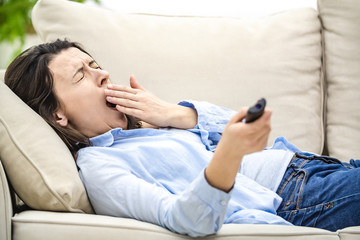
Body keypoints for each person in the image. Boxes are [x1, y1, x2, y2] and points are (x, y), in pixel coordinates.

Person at [5, 39, 360, 237]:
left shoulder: (144, 132)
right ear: (57, 114)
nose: (103, 74)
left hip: (314, 170)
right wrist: (228, 157)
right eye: (81, 75)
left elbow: (247, 132)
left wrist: (173, 113)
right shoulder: (100, 166)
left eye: (95, 64)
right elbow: (184, 218)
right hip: (299, 197)